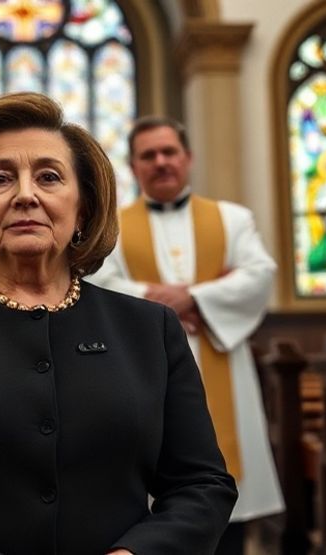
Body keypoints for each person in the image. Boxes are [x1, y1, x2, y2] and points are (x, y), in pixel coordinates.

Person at [0, 93, 237, 555]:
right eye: (0, 179)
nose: (26, 194)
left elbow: (203, 484)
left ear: (84, 210)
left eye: (49, 177)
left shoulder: (150, 328)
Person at [86, 116, 283, 555]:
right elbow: (95, 283)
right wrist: (190, 301)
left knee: (223, 507)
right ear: (133, 166)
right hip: (140, 367)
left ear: (188, 158)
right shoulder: (108, 227)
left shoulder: (233, 219)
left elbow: (259, 275)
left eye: (169, 152)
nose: (161, 162)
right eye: (148, 155)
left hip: (220, 363)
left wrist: (190, 295)